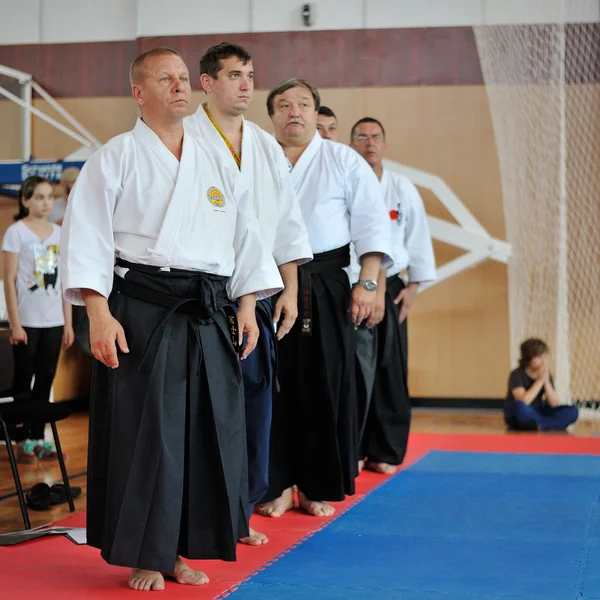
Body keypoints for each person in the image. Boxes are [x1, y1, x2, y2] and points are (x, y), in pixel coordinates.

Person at [60, 48, 283, 592]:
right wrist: (98, 313)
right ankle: (145, 552)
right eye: (167, 79)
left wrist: (249, 304)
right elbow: (86, 235)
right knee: (148, 433)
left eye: (185, 78)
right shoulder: (115, 157)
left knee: (205, 431)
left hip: (208, 307)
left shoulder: (214, 161)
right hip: (141, 307)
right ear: (140, 92)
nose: (181, 87)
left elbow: (245, 234)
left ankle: (180, 550)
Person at [185, 42, 312, 547]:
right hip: (202, 293)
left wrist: (292, 290)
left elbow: (286, 225)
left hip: (257, 292)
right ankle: (202, 509)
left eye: (251, 74)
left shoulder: (263, 144)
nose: (245, 83)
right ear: (207, 82)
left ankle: (242, 506)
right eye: (235, 74)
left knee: (255, 400)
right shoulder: (185, 138)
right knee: (204, 406)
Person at [257, 78, 392, 519]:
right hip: (263, 282)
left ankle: (315, 484)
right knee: (270, 387)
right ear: (271, 114)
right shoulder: (253, 156)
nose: (293, 111)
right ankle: (275, 483)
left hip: (328, 285)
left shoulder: (342, 160)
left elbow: (372, 225)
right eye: (283, 104)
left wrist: (367, 284)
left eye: (302, 104)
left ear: (316, 113)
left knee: (323, 385)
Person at [350, 117, 436, 475]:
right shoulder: (346, 179)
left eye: (376, 137)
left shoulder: (402, 187)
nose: (369, 143)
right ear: (351, 144)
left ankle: (385, 449)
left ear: (385, 145)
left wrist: (414, 286)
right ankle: (351, 447)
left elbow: (418, 238)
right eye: (361, 137)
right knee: (353, 369)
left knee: (389, 367)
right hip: (350, 282)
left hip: (394, 285)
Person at [2, 176, 74, 464]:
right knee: (24, 380)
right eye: (40, 197)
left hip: (54, 320)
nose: (46, 202)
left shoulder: (58, 234)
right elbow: (9, 281)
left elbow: (65, 282)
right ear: (25, 200)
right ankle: (20, 439)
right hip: (27, 320)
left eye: (49, 197)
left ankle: (37, 438)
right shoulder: (16, 232)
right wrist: (15, 324)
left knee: (46, 378)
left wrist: (68, 323)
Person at [505, 338, 579, 431]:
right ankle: (549, 424)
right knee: (518, 407)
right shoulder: (517, 374)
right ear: (528, 359)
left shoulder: (546, 374)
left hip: (538, 411)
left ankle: (540, 425)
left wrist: (546, 381)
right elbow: (524, 401)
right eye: (539, 357)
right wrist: (539, 381)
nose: (544, 361)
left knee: (573, 411)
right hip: (523, 412)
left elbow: (554, 403)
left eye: (545, 357)